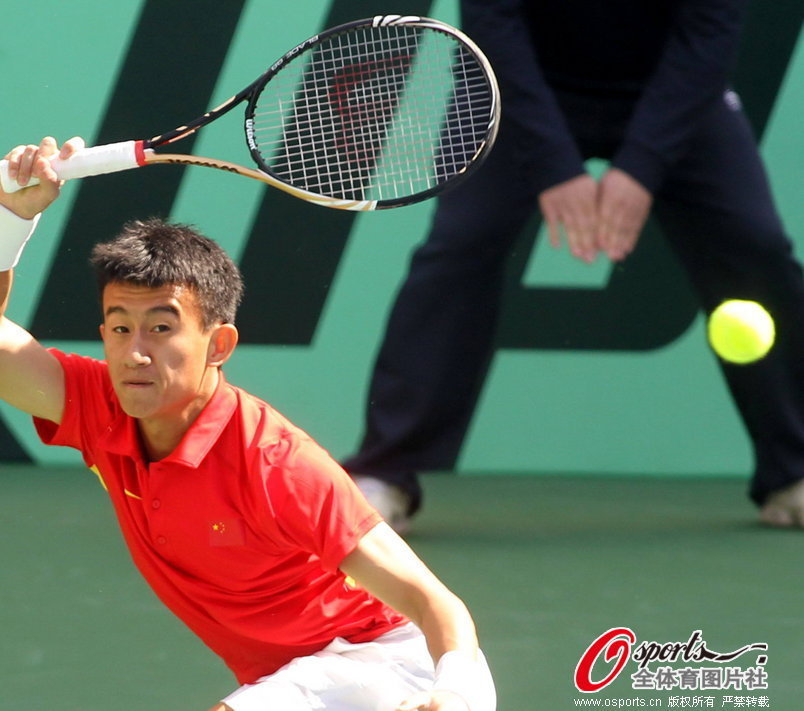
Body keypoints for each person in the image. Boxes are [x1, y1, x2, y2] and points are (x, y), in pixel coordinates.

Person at [0, 136, 496, 711]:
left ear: (218, 343)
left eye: (161, 328)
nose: (135, 354)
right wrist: (9, 213)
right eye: (120, 328)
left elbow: (433, 602)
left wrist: (453, 691)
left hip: (397, 666)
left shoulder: (277, 464)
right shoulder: (99, 404)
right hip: (290, 680)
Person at [344, 0, 804, 532]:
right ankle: (387, 472)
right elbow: (494, 24)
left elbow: (710, 36)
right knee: (458, 246)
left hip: (674, 94)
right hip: (512, 89)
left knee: (757, 246)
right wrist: (555, 165)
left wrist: (641, 167)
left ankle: (795, 468)